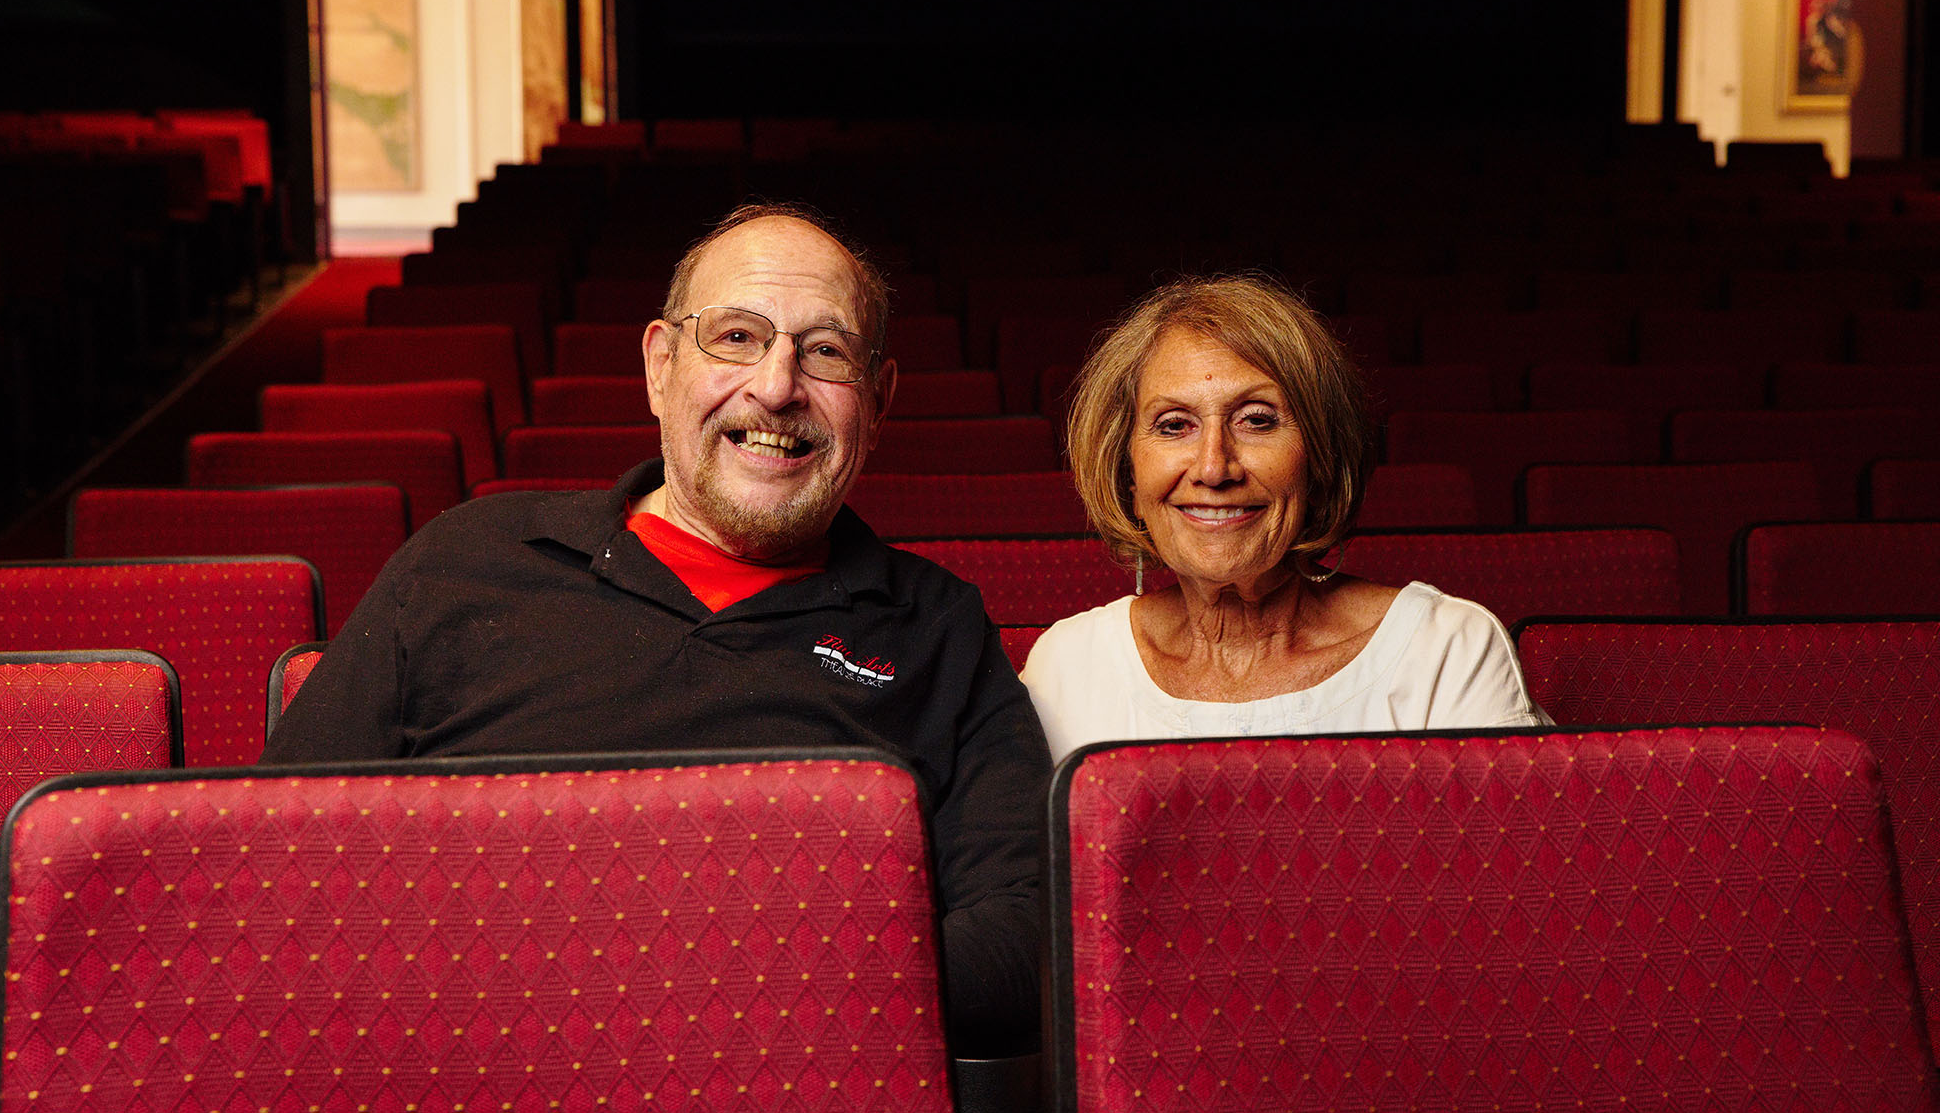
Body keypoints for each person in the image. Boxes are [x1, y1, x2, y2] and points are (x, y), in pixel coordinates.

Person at [264, 204, 1050, 1056]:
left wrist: (718, 981)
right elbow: (275, 870)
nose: (777, 386)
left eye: (825, 351)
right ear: (660, 366)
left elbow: (1022, 948)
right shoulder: (468, 561)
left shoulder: (939, 628)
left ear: (880, 400)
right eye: (738, 337)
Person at [1021, 274, 1548, 763]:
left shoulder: (1444, 652)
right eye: (1173, 424)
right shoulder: (1068, 666)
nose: (1213, 467)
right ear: (1129, 478)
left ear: (1319, 462)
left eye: (1257, 420)